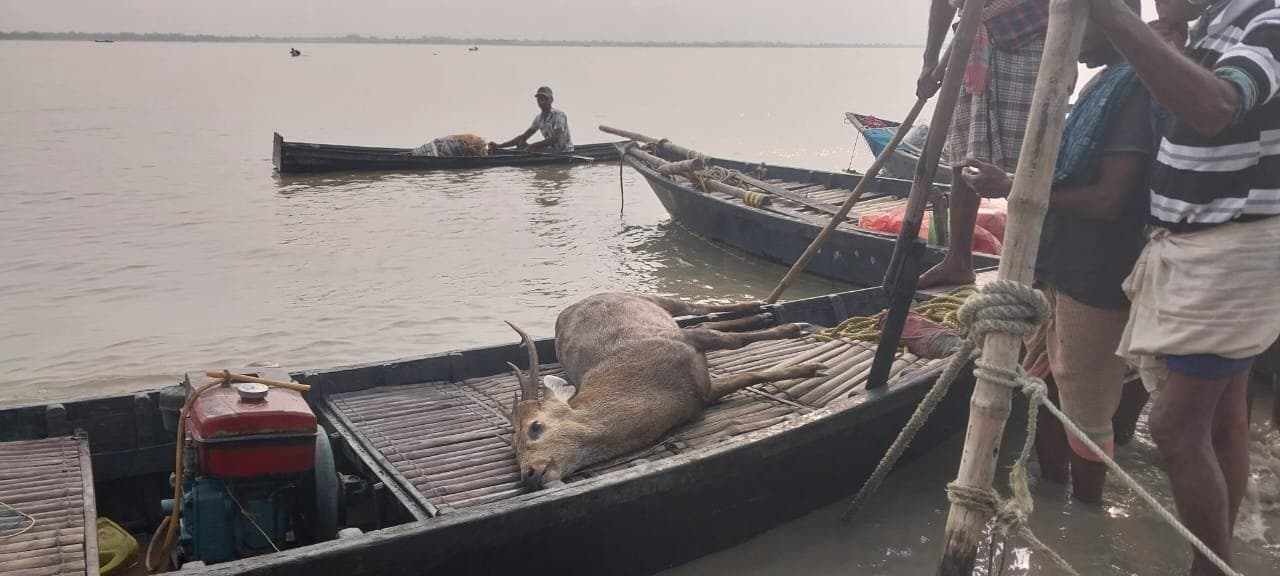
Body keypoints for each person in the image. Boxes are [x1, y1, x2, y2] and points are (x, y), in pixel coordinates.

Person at [1089, 0, 1280, 573]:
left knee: (1174, 425)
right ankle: (1215, 561)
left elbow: (1216, 105)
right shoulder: (1214, 25)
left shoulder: (1268, 20)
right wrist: (1165, 42)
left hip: (1231, 247)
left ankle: (1209, 568)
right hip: (1204, 246)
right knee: (1222, 418)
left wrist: (1110, 15)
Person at [959, 0, 1154, 503]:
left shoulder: (1133, 90)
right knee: (1039, 388)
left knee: (1086, 407)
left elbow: (1111, 199)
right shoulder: (1100, 83)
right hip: (1058, 264)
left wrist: (1012, 186)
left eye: (1079, 27)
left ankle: (1087, 514)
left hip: (1095, 273)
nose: (1066, 37)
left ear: (1113, 21)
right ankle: (1051, 499)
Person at [916, 0, 1050, 288]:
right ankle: (958, 261)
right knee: (965, 155)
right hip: (971, 43)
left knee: (1031, 157)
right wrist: (929, 62)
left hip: (1029, 40)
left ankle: (1032, 262)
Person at [489, 86, 573, 154]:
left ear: (551, 100)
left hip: (564, 151)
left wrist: (533, 145)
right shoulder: (539, 119)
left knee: (528, 148)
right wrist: (499, 146)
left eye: (545, 99)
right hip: (550, 150)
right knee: (521, 143)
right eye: (540, 99)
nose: (542, 102)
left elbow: (556, 138)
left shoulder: (559, 115)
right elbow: (523, 137)